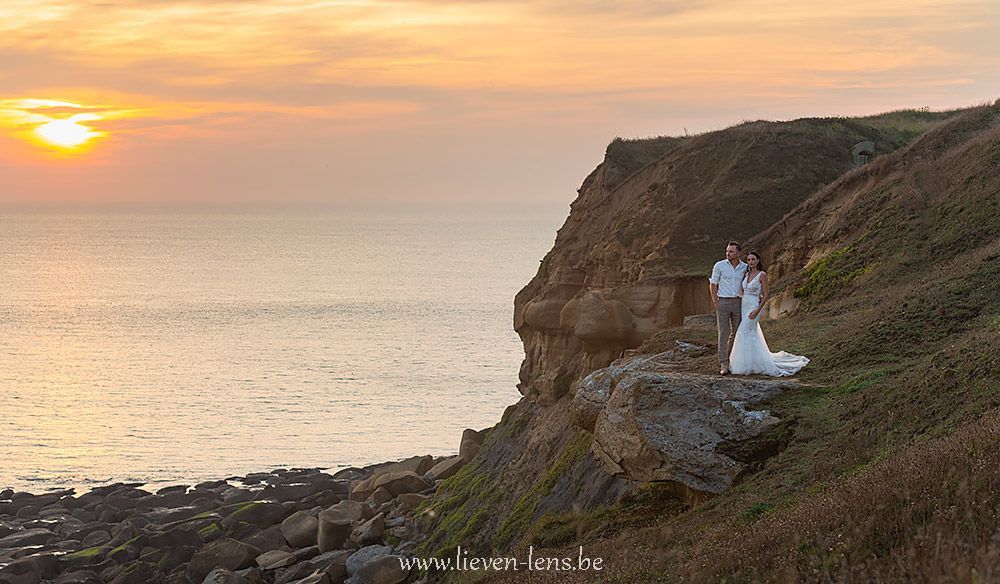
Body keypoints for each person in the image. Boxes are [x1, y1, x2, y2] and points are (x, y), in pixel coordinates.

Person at [729, 251, 809, 376]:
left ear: (758, 261)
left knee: (743, 331)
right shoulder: (746, 274)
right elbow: (742, 290)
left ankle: (748, 365)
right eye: (749, 260)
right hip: (744, 306)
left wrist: (757, 310)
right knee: (750, 334)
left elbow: (766, 294)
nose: (750, 262)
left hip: (754, 307)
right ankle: (752, 362)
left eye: (753, 259)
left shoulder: (762, 275)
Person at [709, 241, 747, 375]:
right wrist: (716, 302)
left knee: (737, 333)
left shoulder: (745, 267)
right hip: (723, 302)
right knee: (723, 333)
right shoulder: (719, 265)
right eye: (727, 251)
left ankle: (732, 358)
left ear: (738, 253)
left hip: (738, 302)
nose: (728, 254)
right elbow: (713, 284)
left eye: (731, 251)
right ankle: (724, 363)